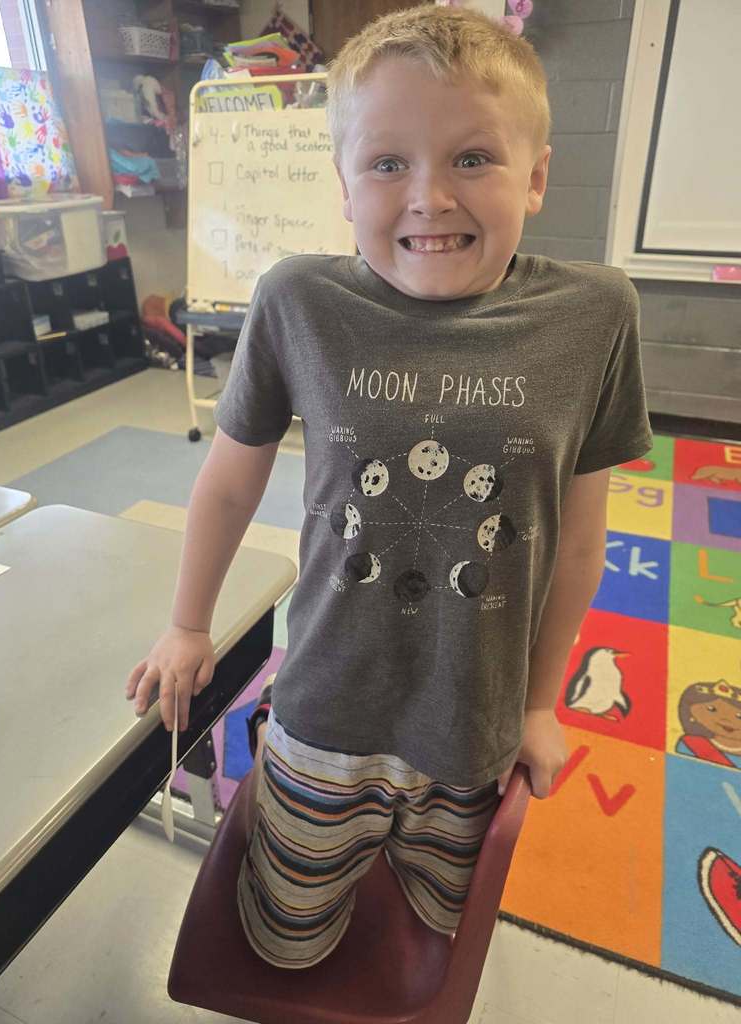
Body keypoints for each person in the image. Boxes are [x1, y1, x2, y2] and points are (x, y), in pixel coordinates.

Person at [125, 6, 653, 970]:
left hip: (474, 726)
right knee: (284, 941)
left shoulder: (595, 316)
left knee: (428, 930)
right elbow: (230, 478)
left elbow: (580, 541)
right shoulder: (298, 300)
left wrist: (540, 705)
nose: (429, 197)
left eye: (473, 159)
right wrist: (190, 624)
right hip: (325, 710)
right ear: (343, 184)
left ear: (536, 176)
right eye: (387, 164)